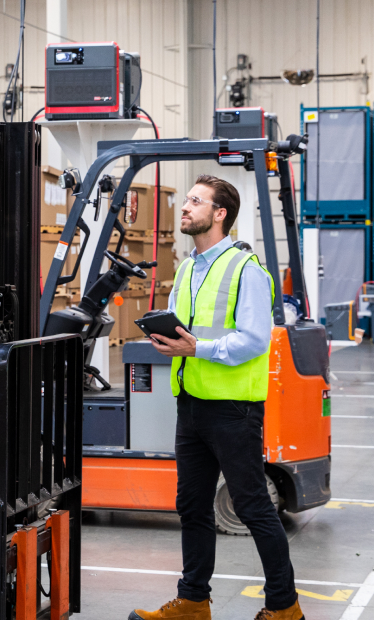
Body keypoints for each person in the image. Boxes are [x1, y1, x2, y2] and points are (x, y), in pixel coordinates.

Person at [128, 175, 302, 620]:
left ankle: (285, 608)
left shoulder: (247, 270)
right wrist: (167, 340)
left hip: (232, 409)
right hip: (191, 404)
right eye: (186, 200)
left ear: (219, 213)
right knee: (191, 505)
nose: (184, 207)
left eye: (194, 201)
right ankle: (192, 601)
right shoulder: (187, 268)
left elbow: (254, 341)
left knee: (251, 506)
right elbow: (188, 329)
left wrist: (195, 348)